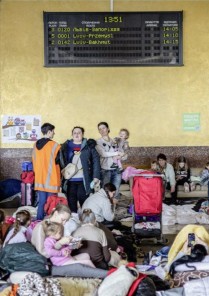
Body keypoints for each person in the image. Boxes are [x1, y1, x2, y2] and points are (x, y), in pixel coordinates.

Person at [31, 204, 107, 278]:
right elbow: (46, 253)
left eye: (66, 221)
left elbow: (61, 246)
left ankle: (103, 274)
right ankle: (106, 275)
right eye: (63, 220)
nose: (64, 223)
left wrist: (73, 245)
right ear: (56, 213)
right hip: (51, 263)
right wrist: (61, 243)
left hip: (61, 257)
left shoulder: (56, 226)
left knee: (86, 255)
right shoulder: (41, 227)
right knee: (80, 266)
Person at [59, 126, 100, 213]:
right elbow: (60, 162)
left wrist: (96, 176)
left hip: (84, 180)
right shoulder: (65, 146)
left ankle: (85, 222)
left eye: (79, 133)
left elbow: (96, 161)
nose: (77, 134)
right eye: (75, 133)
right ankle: (73, 221)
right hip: (70, 180)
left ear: (83, 134)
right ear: (72, 135)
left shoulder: (88, 146)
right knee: (71, 203)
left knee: (85, 202)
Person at [32, 122, 61, 220]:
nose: (54, 133)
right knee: (51, 203)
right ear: (49, 132)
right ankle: (51, 222)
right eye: (53, 131)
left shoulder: (35, 145)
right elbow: (61, 163)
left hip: (40, 180)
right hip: (51, 180)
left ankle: (38, 221)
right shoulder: (55, 145)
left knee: (42, 202)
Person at [96, 122, 124, 198]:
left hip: (117, 169)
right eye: (100, 129)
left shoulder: (114, 141)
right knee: (105, 191)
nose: (102, 130)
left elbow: (122, 153)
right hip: (105, 170)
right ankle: (105, 208)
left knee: (116, 190)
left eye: (104, 128)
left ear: (108, 129)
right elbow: (103, 154)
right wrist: (117, 153)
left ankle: (114, 208)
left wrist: (121, 155)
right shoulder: (98, 142)